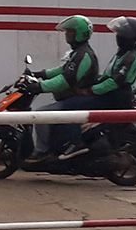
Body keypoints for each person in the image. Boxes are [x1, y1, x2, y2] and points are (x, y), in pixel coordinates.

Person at [23, 15, 101, 158]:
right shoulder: (78, 52)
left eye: (70, 31)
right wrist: (40, 74)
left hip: (82, 98)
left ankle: (43, 151)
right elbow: (62, 70)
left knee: (41, 114)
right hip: (77, 96)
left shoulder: (83, 54)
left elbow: (65, 80)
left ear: (79, 33)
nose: (67, 35)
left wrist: (40, 86)